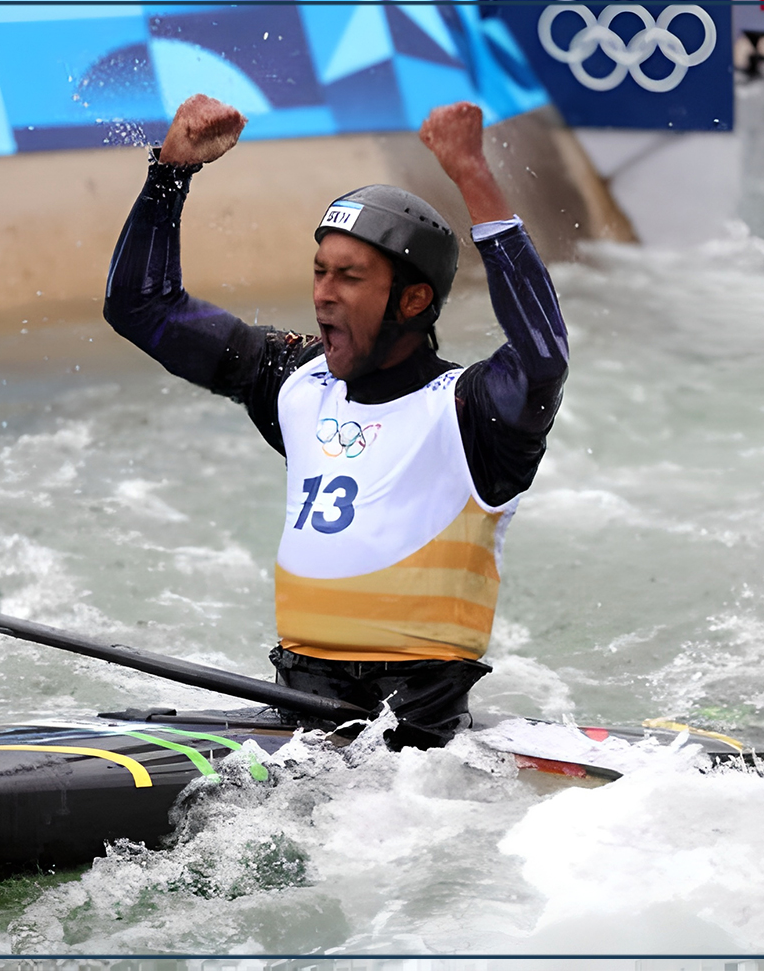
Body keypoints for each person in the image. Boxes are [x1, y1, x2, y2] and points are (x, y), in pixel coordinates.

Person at [103, 95, 568, 750]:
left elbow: (543, 356)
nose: (323, 292)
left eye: (350, 277)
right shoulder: (293, 380)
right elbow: (142, 308)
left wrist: (473, 175)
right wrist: (171, 171)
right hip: (296, 709)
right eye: (320, 271)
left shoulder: (472, 412)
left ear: (412, 301)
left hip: (419, 742)